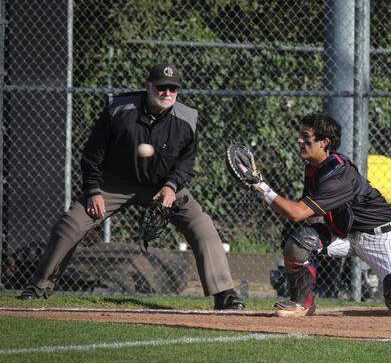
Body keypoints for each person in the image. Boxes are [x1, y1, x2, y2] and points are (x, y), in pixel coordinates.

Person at [18, 62, 245, 310]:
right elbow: (93, 154)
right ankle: (39, 286)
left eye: (173, 88)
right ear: (147, 86)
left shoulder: (187, 119)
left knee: (201, 224)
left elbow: (186, 163)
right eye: (161, 87)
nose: (167, 93)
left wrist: (171, 186)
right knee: (70, 224)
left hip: (162, 186)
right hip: (115, 184)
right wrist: (93, 190)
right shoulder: (119, 109)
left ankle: (224, 293)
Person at [242, 112, 391, 317]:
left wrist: (261, 186)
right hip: (346, 235)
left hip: (378, 236)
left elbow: (296, 213)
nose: (299, 140)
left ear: (324, 142)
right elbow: (303, 217)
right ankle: (301, 303)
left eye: (306, 136)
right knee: (299, 240)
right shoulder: (314, 169)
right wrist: (263, 193)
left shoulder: (338, 174)